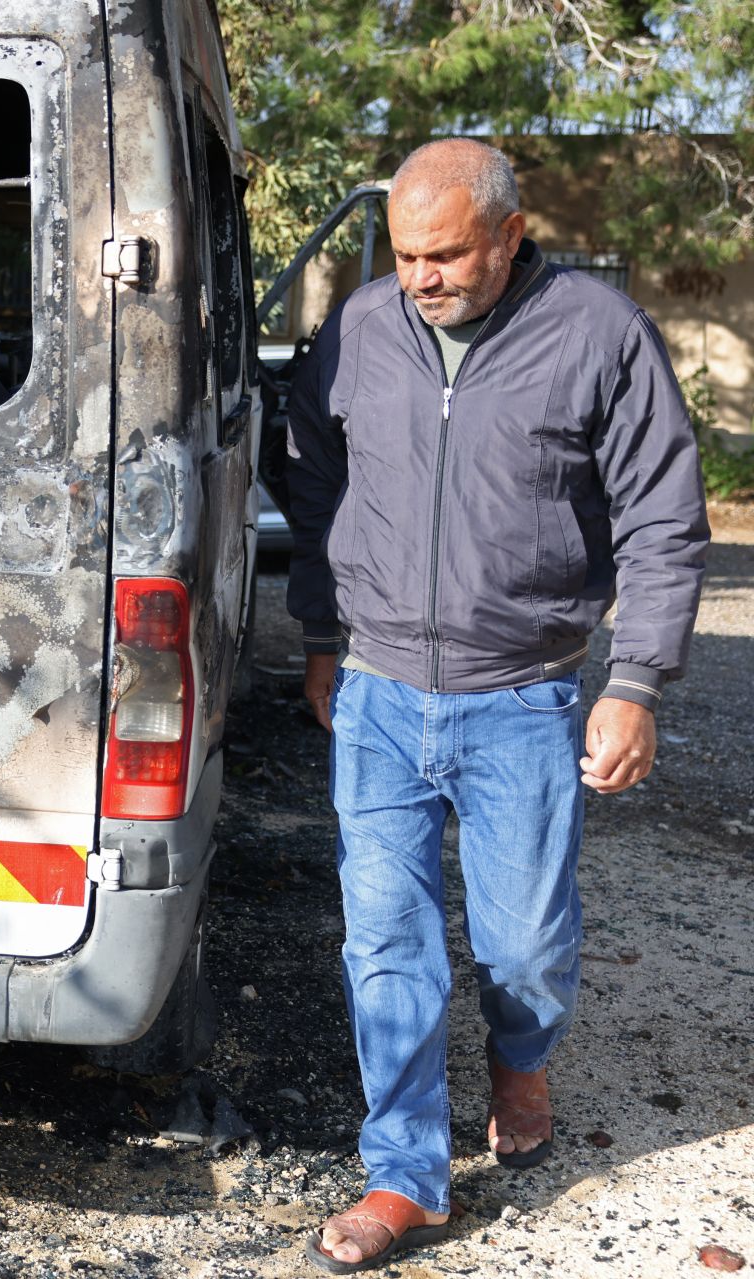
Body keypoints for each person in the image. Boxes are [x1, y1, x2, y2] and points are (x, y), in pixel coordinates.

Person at [282, 138, 709, 1273]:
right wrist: (322, 634)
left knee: (523, 943)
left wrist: (635, 682)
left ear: (510, 234)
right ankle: (404, 1172)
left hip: (522, 695)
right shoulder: (361, 327)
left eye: (448, 255)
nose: (421, 277)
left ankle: (522, 1057)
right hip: (379, 692)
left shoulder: (600, 334)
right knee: (388, 940)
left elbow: (664, 518)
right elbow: (314, 479)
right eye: (405, 254)